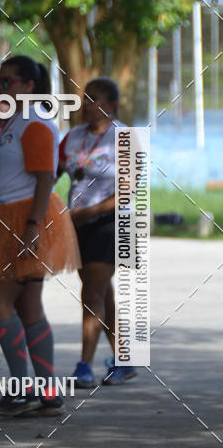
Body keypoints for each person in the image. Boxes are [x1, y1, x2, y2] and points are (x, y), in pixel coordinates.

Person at [0, 55, 80, 418]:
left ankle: (22, 391)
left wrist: (32, 226)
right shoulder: (17, 120)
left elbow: (45, 178)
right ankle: (48, 394)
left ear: (29, 86)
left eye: (7, 82)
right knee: (28, 306)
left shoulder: (35, 122)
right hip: (13, 215)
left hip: (27, 217)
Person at [58, 77, 137, 386]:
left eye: (95, 99)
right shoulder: (72, 137)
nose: (87, 105)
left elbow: (128, 191)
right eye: (85, 98)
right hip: (78, 224)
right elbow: (50, 174)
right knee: (101, 292)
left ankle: (84, 366)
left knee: (92, 291)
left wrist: (89, 212)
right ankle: (124, 360)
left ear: (112, 105)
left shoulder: (124, 137)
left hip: (112, 222)